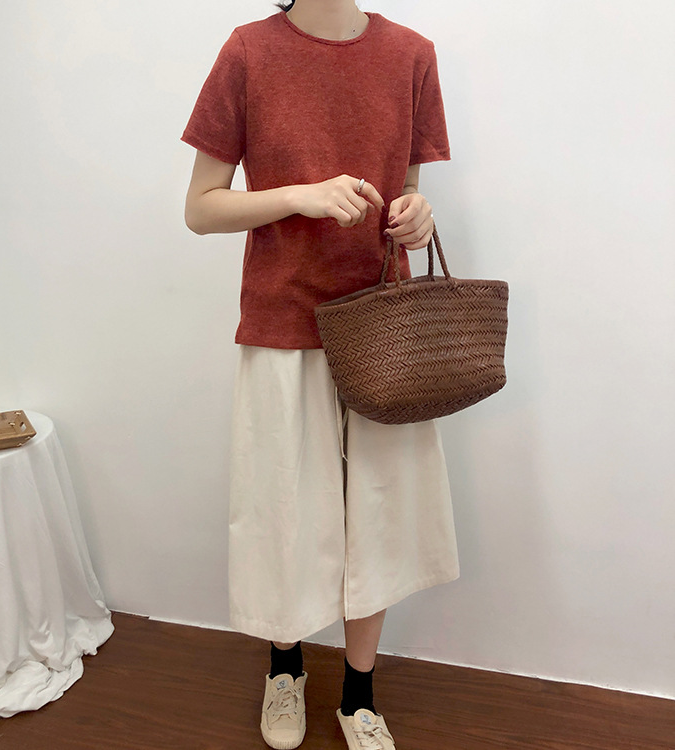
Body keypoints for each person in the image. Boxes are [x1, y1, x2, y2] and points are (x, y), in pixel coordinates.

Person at [182, 1, 460, 748]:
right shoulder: (248, 51)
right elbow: (200, 208)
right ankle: (285, 670)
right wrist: (300, 196)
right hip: (283, 320)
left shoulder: (411, 53)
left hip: (383, 323)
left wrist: (418, 216)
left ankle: (359, 695)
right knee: (286, 513)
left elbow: (406, 191)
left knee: (381, 514)